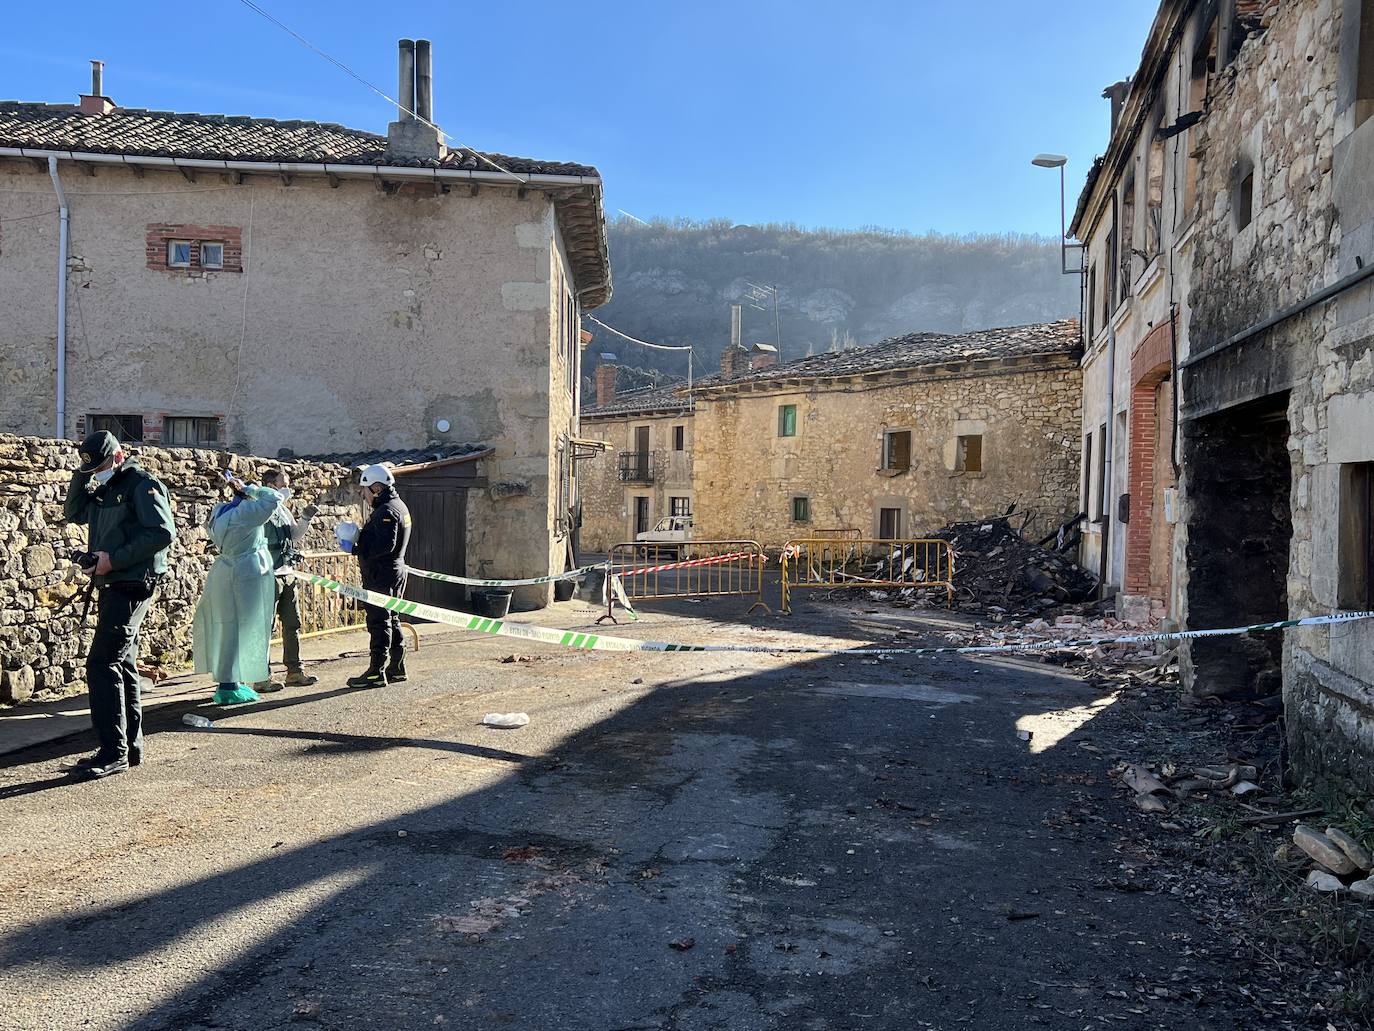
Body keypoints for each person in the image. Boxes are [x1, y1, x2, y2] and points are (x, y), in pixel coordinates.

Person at [64, 430, 176, 780]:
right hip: (113, 583)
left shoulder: (142, 484)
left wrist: (114, 559)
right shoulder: (104, 486)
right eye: (91, 468)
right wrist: (81, 474)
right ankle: (129, 746)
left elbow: (161, 532)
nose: (96, 473)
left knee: (101, 663)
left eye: (100, 465)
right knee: (123, 664)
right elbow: (74, 512)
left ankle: (113, 752)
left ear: (118, 456)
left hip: (132, 583)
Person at [192, 469, 284, 706]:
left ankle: (229, 679)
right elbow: (274, 498)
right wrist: (250, 489)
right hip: (246, 573)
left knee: (225, 626)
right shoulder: (246, 512)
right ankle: (231, 683)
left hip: (224, 570)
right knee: (245, 627)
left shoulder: (219, 511)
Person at [251, 467, 319, 692]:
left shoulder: (283, 508)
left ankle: (295, 672)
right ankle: (261, 677)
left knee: (293, 624)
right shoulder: (258, 508)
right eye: (283, 483)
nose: (287, 487)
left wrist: (306, 518)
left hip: (287, 573)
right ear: (270, 485)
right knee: (264, 627)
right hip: (267, 574)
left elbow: (294, 535)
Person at [346, 464, 411, 688]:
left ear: (375, 488)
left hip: (382, 574)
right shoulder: (398, 506)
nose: (363, 497)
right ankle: (397, 667)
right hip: (392, 571)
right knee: (392, 619)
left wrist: (356, 547)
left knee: (379, 621)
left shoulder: (387, 511)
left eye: (364, 492)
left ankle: (376, 672)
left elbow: (384, 545)